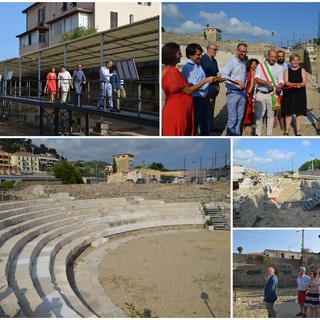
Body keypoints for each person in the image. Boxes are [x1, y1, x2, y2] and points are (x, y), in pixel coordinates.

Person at [162, 42, 216, 136]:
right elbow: (188, 90)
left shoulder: (167, 69)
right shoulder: (172, 71)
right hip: (177, 110)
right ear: (172, 54)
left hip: (178, 107)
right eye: (179, 53)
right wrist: (206, 81)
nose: (181, 55)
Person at [181, 43, 214, 136]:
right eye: (198, 55)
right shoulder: (188, 68)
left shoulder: (199, 66)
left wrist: (207, 96)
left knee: (205, 124)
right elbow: (195, 86)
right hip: (195, 100)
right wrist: (207, 81)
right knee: (194, 125)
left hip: (203, 98)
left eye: (200, 54)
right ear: (190, 55)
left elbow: (202, 84)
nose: (200, 57)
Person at [254, 49, 284, 136]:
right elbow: (256, 79)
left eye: (275, 57)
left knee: (271, 115)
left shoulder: (279, 67)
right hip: (261, 93)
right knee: (259, 114)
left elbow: (281, 80)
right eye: (272, 56)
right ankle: (258, 133)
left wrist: (279, 85)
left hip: (272, 94)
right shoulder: (261, 66)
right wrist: (267, 82)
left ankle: (269, 134)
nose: (273, 59)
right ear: (268, 56)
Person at [221, 43, 248, 136]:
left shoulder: (244, 62)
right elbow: (224, 76)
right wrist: (236, 82)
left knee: (239, 118)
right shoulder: (231, 62)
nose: (243, 54)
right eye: (242, 51)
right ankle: (230, 136)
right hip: (233, 93)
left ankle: (236, 135)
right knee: (232, 118)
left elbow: (244, 77)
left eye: (245, 51)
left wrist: (245, 84)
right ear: (237, 51)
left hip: (242, 93)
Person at [282, 53, 307, 136]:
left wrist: (300, 85)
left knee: (298, 112)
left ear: (299, 61)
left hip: (300, 93)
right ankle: (287, 130)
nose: (295, 62)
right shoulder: (286, 71)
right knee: (289, 112)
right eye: (294, 60)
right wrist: (292, 84)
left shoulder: (302, 70)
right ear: (290, 61)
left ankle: (298, 130)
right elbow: (286, 81)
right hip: (290, 93)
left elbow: (304, 81)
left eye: (297, 60)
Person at [200, 41, 223, 132]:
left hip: (214, 87)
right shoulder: (202, 59)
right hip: (205, 87)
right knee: (205, 108)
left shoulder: (214, 61)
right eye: (214, 49)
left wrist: (217, 84)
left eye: (216, 49)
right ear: (209, 49)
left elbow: (215, 73)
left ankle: (211, 125)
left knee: (211, 108)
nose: (216, 51)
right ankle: (204, 128)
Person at [242, 58, 259, 133]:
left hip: (255, 91)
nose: (254, 65)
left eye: (255, 64)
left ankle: (252, 121)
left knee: (254, 108)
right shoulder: (246, 72)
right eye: (252, 64)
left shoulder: (258, 72)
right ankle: (244, 124)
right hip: (248, 91)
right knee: (247, 108)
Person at [275, 50, 290, 131]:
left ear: (284, 57)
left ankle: (282, 121)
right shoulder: (273, 65)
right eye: (279, 56)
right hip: (275, 88)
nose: (281, 58)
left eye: (282, 56)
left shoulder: (288, 65)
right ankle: (274, 120)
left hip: (285, 89)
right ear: (277, 57)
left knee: (284, 106)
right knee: (275, 105)